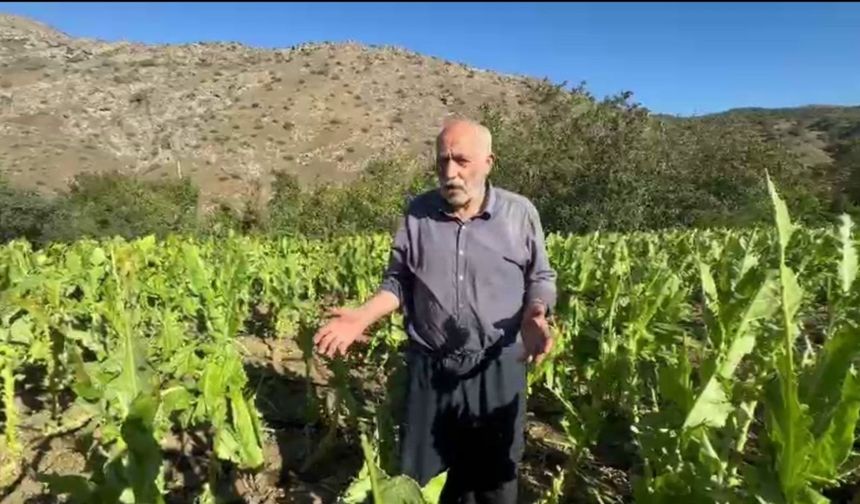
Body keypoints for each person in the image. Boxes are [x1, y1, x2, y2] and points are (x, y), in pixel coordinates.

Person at [313, 117, 557, 504]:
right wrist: (363, 315)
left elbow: (540, 276)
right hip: (431, 366)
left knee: (494, 477)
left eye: (461, 161)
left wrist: (536, 314)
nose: (450, 172)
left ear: (488, 162)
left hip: (498, 365)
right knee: (425, 480)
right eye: (442, 161)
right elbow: (399, 282)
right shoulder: (418, 213)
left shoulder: (519, 214)